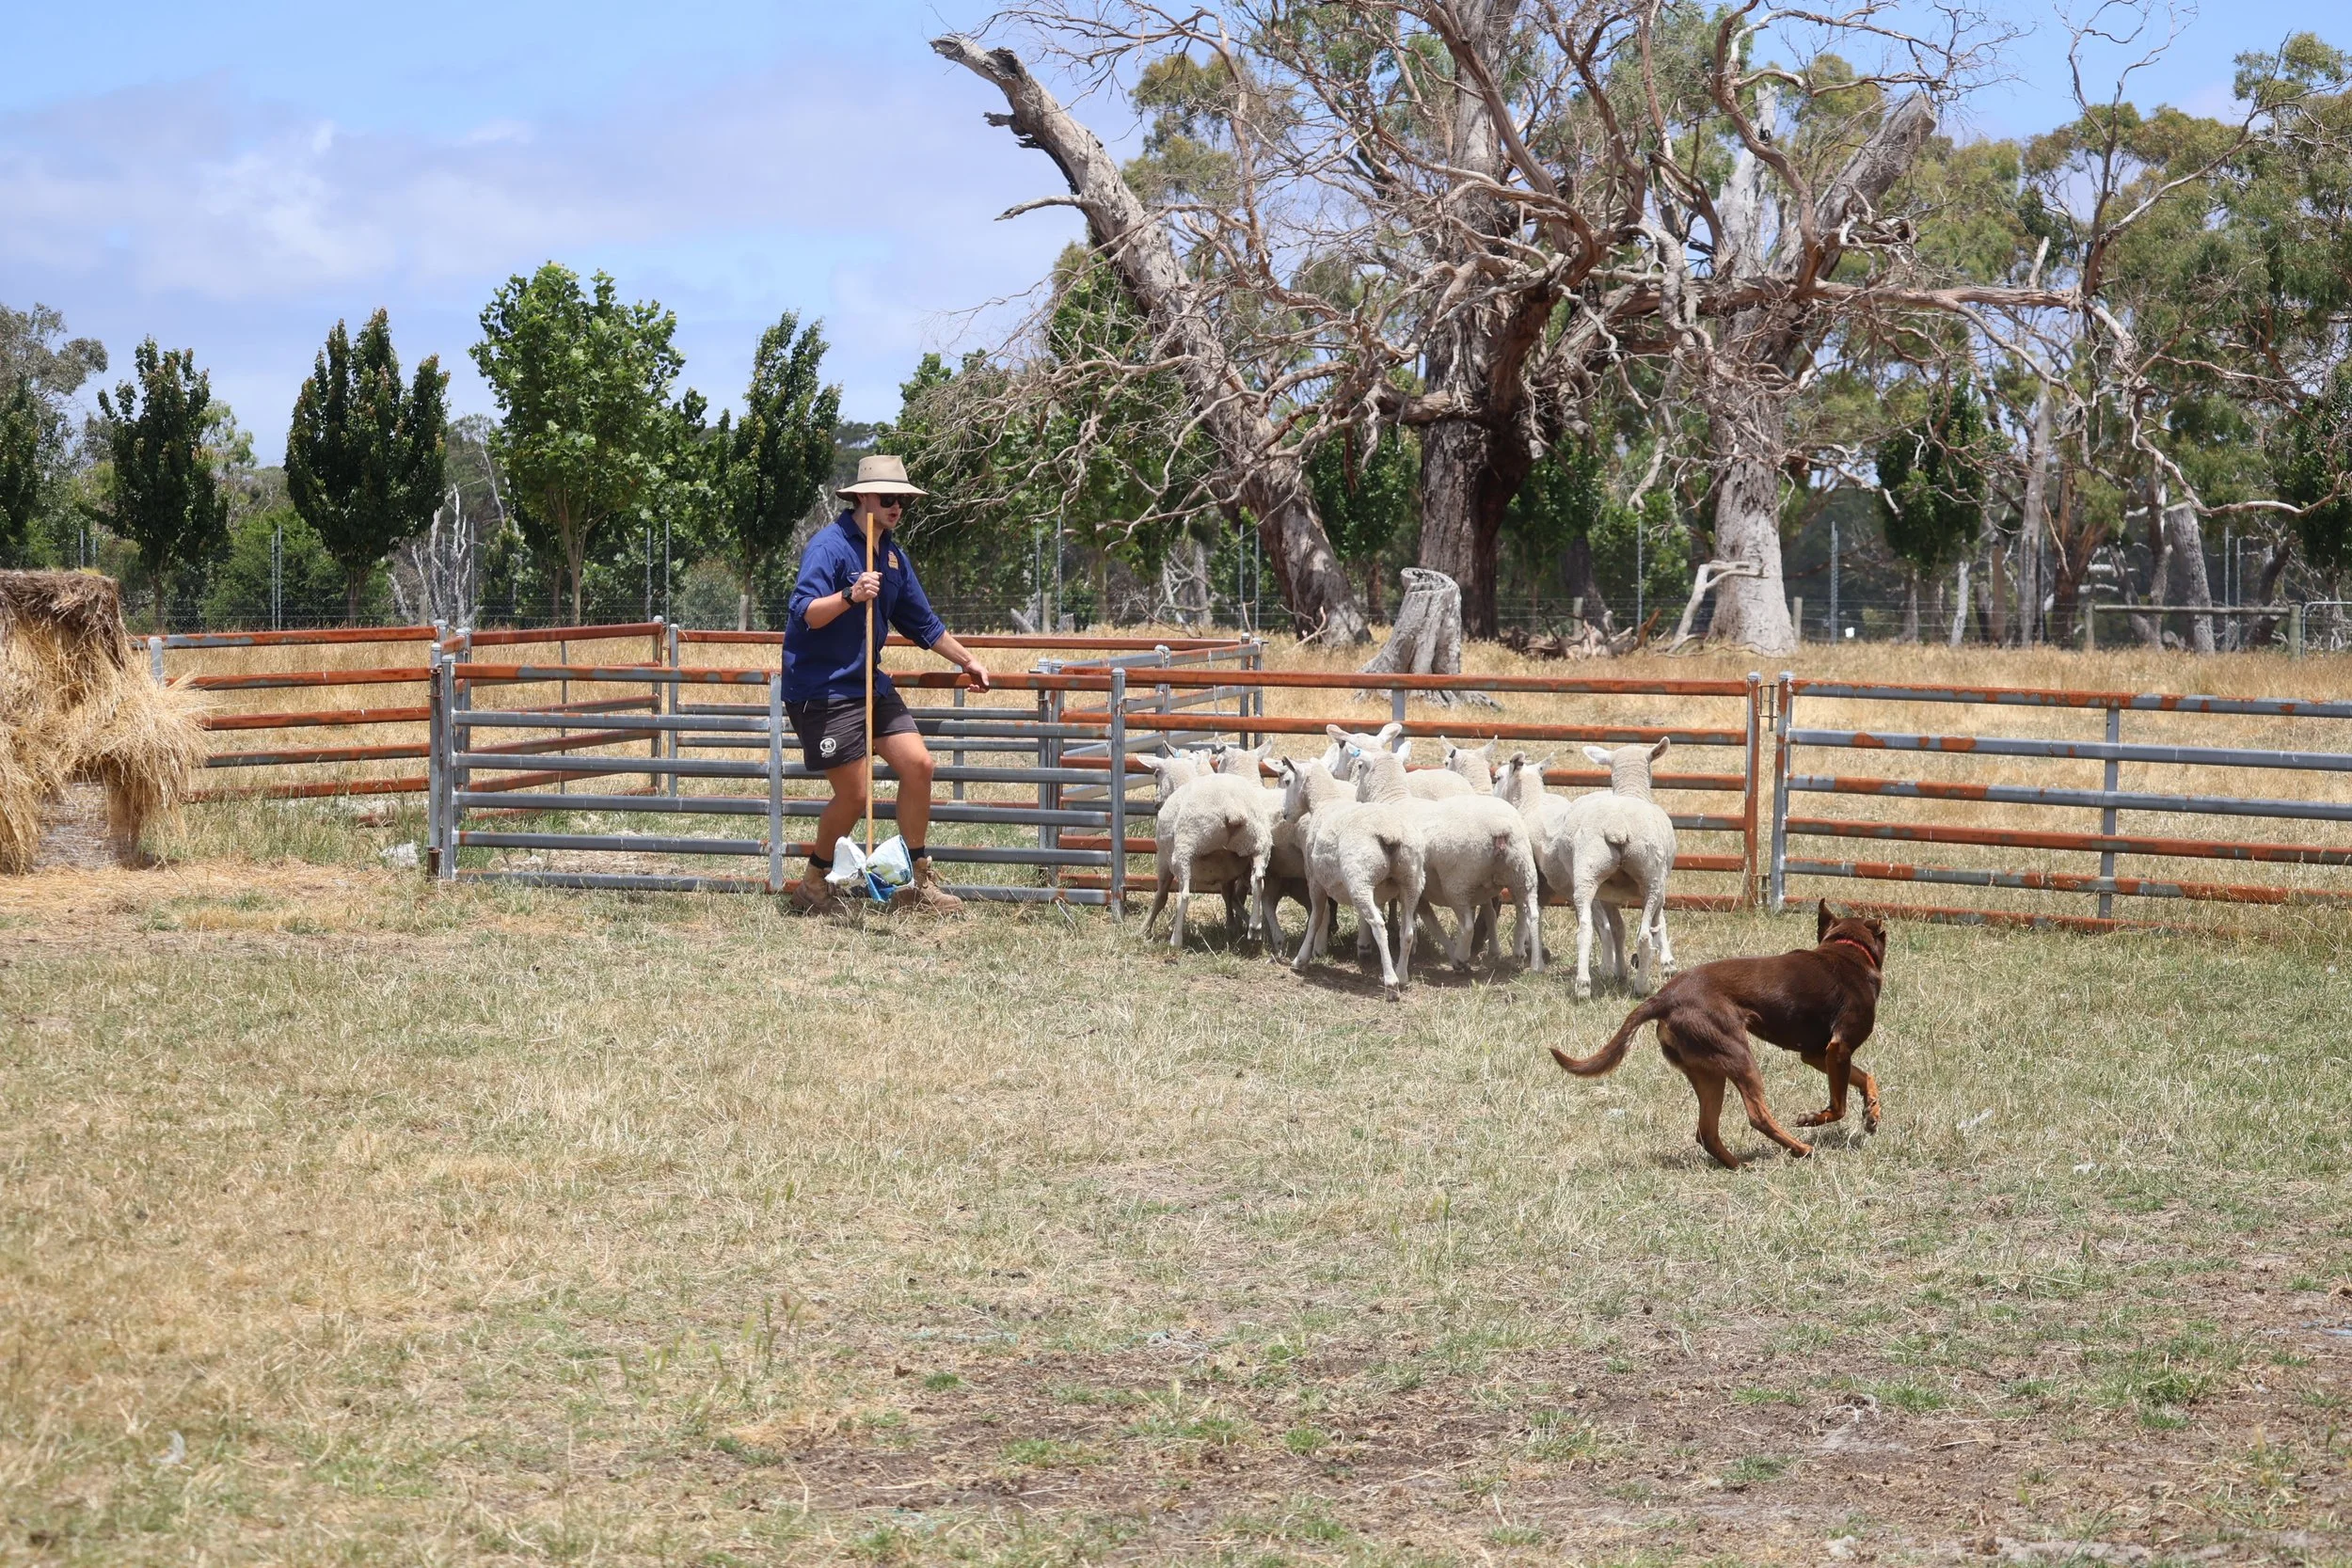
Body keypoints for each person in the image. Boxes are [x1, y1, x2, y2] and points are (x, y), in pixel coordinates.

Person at [783, 454, 992, 914]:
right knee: (855, 796)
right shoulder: (829, 547)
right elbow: (804, 613)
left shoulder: (893, 554)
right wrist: (849, 595)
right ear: (862, 498)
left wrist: (968, 660)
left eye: (903, 500)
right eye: (888, 498)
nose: (897, 506)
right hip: (824, 687)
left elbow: (924, 623)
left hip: (868, 683)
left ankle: (915, 883)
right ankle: (814, 886)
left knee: (919, 765)